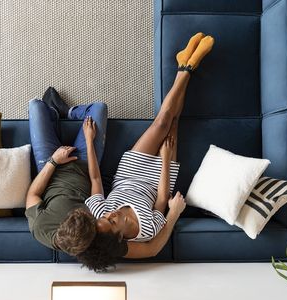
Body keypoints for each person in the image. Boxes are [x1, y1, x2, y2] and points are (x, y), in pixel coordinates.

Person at [78, 32, 215, 271]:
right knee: (174, 123)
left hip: (130, 172)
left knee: (161, 122)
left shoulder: (99, 211)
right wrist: (164, 160)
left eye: (104, 217)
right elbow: (162, 199)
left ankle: (188, 67)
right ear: (120, 236)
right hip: (158, 179)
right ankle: (183, 63)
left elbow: (96, 178)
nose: (110, 213)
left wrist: (89, 141)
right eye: (111, 221)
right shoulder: (147, 230)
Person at [24, 87, 107, 256]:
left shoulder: (41, 227)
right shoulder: (93, 224)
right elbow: (96, 179)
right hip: (84, 162)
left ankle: (54, 113)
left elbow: (32, 193)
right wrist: (89, 140)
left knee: (35, 105)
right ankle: (68, 112)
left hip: (49, 163)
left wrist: (54, 161)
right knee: (99, 108)